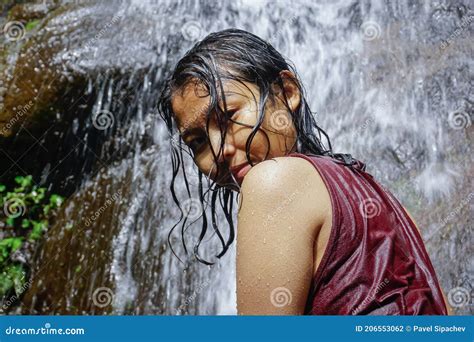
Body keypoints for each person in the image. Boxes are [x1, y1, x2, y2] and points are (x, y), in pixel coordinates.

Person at [158, 28, 450, 315]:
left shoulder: (273, 181)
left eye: (229, 117)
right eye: (197, 142)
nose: (218, 149)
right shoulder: (390, 205)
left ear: (287, 91)